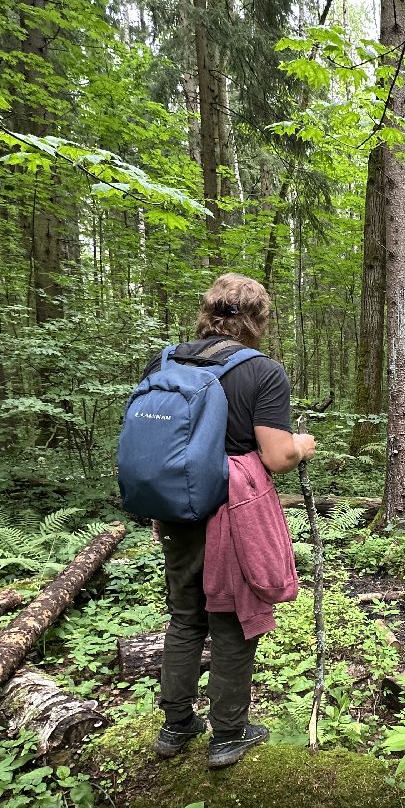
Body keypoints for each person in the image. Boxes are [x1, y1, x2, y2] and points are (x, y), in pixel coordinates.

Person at [145, 273, 314, 767]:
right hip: (230, 511)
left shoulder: (167, 359)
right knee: (233, 620)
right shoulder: (262, 372)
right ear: (258, 319)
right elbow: (277, 457)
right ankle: (228, 735)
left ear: (206, 313)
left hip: (175, 508)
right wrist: (301, 445)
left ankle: (175, 727)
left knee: (185, 616)